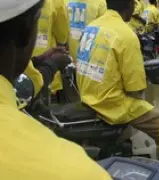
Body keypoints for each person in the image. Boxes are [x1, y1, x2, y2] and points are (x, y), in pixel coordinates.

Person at [0, 0, 111, 179]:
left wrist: (40, 59)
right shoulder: (79, 172)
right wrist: (53, 63)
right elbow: (61, 36)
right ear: (28, 29)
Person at [76, 0, 159, 143]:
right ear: (129, 5)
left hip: (87, 96)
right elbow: (135, 88)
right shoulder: (126, 34)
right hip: (112, 104)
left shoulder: (91, 26)